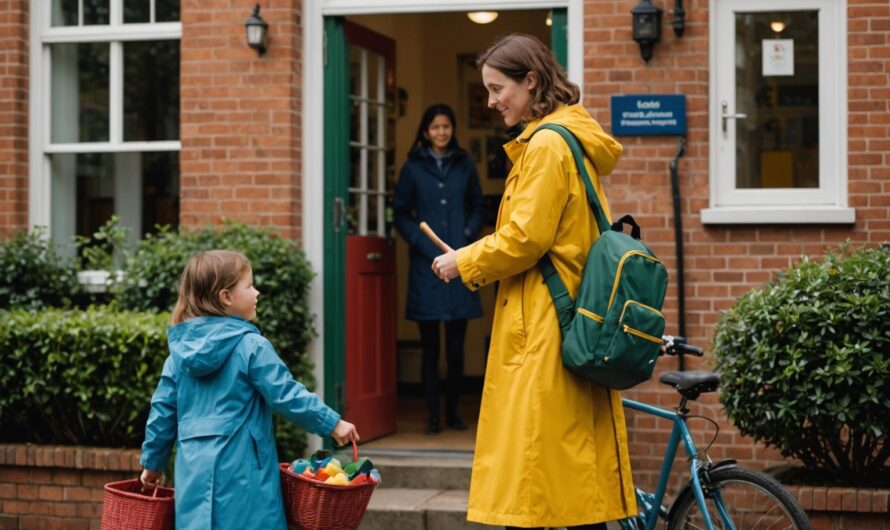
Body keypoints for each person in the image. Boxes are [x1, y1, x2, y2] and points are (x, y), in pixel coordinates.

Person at [431, 34, 637, 529]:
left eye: (498, 88)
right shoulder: (569, 139)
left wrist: (465, 260)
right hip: (562, 318)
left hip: (545, 323)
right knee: (567, 482)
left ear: (532, 81)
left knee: (534, 488)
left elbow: (526, 238)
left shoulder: (546, 144)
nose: (491, 101)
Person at [139, 250, 359, 530]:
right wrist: (332, 423)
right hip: (246, 476)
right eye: (250, 285)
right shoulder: (251, 346)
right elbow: (287, 394)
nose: (257, 292)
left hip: (192, 474)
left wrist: (153, 464)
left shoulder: (178, 357)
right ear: (225, 297)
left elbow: (162, 414)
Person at [393, 103, 485, 435]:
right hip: (426, 270)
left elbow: (478, 205)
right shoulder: (413, 167)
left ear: (453, 129)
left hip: (460, 264)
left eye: (446, 126)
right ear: (425, 131)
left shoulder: (464, 164)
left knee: (456, 349)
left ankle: (453, 411)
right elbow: (400, 213)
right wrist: (422, 246)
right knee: (431, 349)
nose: (441, 133)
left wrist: (465, 234)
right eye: (435, 127)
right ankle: (433, 414)